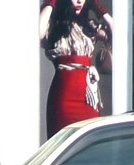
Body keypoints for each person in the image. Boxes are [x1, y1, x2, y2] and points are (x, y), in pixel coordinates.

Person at [41, 0, 113, 136]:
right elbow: (37, 32)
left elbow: (118, 33)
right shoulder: (53, 27)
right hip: (62, 97)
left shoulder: (90, 26)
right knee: (61, 145)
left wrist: (99, 9)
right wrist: (51, 3)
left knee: (89, 140)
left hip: (88, 98)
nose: (80, 1)